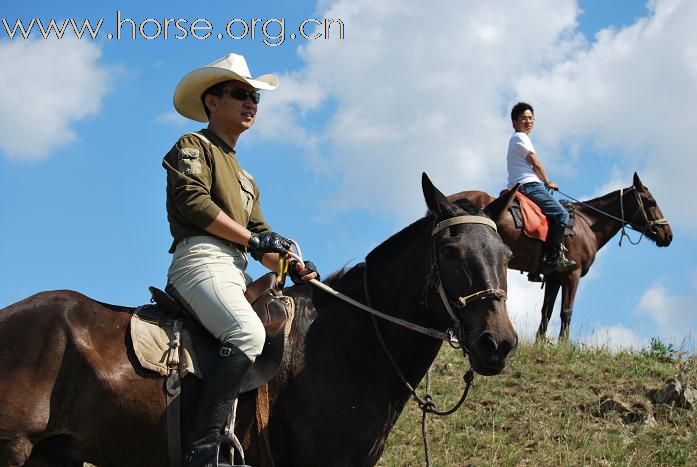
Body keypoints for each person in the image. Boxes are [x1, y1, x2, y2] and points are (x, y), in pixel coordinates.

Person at [163, 53, 319, 467]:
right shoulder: (192, 146)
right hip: (199, 260)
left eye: (255, 97)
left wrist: (290, 263)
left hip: (235, 268)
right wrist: (253, 239)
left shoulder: (247, 178)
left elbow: (263, 241)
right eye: (240, 94)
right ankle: (203, 450)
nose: (251, 103)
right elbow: (193, 203)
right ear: (212, 102)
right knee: (247, 333)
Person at [506, 102, 576, 274]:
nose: (528, 121)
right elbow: (535, 162)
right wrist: (547, 181)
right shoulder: (520, 137)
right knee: (562, 214)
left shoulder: (517, 139)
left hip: (521, 185)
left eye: (531, 118)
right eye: (524, 118)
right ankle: (554, 259)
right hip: (530, 186)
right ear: (514, 122)